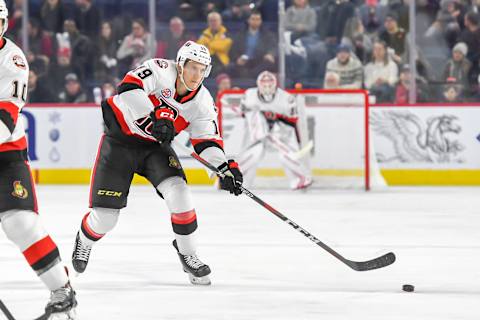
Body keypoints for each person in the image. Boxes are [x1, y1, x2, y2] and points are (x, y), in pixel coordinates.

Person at [71, 40, 243, 286]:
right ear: (180, 65)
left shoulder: (203, 101)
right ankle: (84, 241)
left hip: (154, 148)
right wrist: (150, 117)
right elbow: (128, 87)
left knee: (180, 192)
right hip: (120, 141)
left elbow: (206, 142)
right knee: (106, 218)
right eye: (192, 67)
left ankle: (188, 253)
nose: (196, 74)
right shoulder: (161, 69)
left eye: (202, 69)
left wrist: (224, 168)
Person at [0, 1, 77, 317]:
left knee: (21, 223)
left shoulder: (12, 59)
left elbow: (5, 116)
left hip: (6, 156)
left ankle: (62, 290)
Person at [236, 71, 312, 190]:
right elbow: (243, 115)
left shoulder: (287, 98)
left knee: (286, 155)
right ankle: (240, 180)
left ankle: (300, 179)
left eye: (269, 85)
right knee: (254, 153)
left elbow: (293, 120)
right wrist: (259, 115)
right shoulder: (249, 95)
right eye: (264, 85)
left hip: (282, 133)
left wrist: (276, 116)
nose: (267, 88)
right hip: (258, 134)